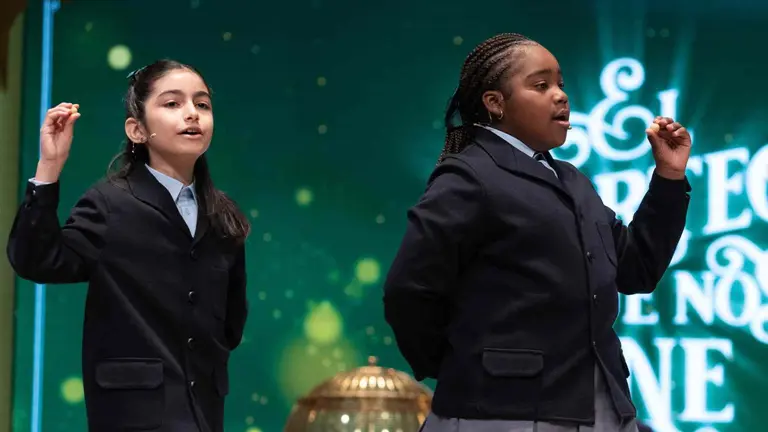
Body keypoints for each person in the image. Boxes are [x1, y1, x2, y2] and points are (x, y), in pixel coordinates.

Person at [383, 33, 691, 431]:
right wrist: (466, 365)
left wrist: (669, 177)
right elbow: (410, 291)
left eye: (560, 83)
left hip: (601, 409)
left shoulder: (573, 181)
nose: (561, 95)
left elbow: (635, 269)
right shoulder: (469, 176)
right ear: (495, 103)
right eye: (541, 85)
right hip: (503, 414)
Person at [7, 59, 250, 432]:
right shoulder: (110, 203)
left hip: (204, 410)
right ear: (137, 130)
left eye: (201, 104)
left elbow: (231, 322)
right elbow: (37, 261)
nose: (191, 114)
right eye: (172, 104)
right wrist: (49, 166)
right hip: (133, 413)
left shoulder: (222, 214)